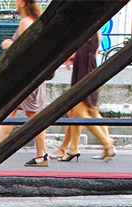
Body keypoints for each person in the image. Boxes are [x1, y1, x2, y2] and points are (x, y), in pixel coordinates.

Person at [0, 0, 50, 166]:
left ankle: (42, 154)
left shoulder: (25, 22)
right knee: (10, 111)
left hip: (27, 77)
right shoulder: (33, 21)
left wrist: (9, 44)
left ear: (22, 3)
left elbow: (24, 50)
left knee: (32, 114)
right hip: (28, 76)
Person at [49, 34, 116, 162]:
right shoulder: (95, 29)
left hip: (84, 66)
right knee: (80, 110)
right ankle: (71, 147)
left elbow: (89, 45)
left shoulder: (91, 24)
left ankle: (107, 143)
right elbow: (92, 47)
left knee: (79, 111)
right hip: (86, 64)